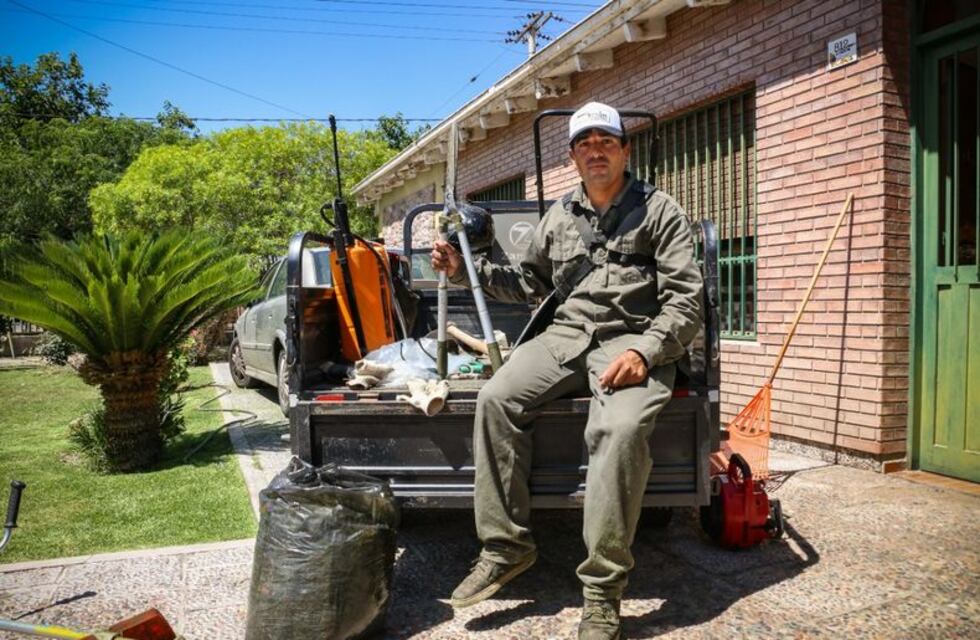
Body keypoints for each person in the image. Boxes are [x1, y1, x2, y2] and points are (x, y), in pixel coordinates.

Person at [431, 101, 703, 640]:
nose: (595, 150)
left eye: (606, 141)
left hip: (632, 341)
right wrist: (466, 272)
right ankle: (506, 546)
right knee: (495, 398)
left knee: (618, 430)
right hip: (565, 338)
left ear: (625, 150)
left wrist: (646, 353)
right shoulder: (560, 216)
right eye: (584, 143)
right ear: (573, 157)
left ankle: (602, 593)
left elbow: (686, 301)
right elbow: (529, 284)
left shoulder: (661, 211)